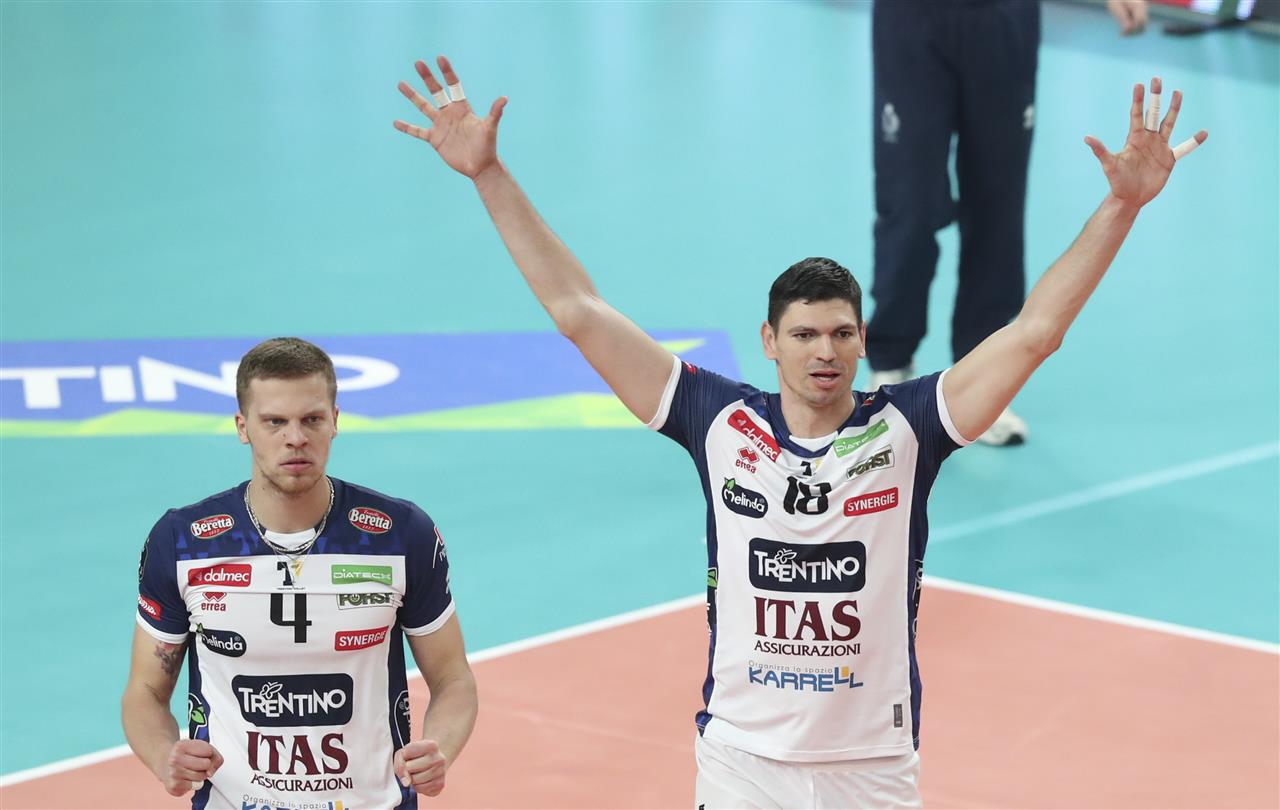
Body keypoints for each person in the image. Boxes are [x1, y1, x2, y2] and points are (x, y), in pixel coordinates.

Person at [393, 57, 1203, 808]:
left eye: (843, 334)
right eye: (806, 334)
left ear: (862, 340)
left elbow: (1034, 333)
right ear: (770, 341)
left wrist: (1122, 205)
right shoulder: (717, 420)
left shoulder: (909, 427)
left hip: (873, 767)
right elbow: (579, 313)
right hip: (743, 762)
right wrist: (489, 175)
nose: (826, 352)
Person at [121, 337, 476, 809]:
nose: (295, 438)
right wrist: (164, 755)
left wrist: (439, 749)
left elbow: (453, 679)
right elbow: (145, 691)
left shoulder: (399, 535)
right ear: (242, 427)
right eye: (275, 422)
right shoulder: (184, 542)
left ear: (335, 421)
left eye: (312, 419)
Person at [868, 0, 1149, 446]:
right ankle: (891, 363)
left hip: (1002, 20)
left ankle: (982, 378)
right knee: (909, 202)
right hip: (912, 19)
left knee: (997, 204)